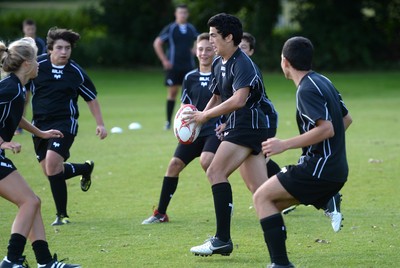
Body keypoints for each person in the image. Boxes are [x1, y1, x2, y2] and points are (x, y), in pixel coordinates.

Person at [253, 36, 352, 268]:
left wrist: (284, 144)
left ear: (284, 62)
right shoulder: (323, 81)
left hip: (320, 168)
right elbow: (345, 119)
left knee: (261, 197)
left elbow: (326, 129)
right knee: (271, 206)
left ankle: (280, 264)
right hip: (334, 168)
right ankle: (326, 199)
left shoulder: (306, 89)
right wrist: (328, 150)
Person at [184, 13, 277, 257]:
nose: (210, 40)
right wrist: (199, 119)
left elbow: (239, 99)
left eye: (214, 36)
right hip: (241, 125)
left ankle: (222, 239)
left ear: (229, 37)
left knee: (215, 171)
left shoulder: (242, 62)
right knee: (262, 192)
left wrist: (206, 117)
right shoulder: (218, 62)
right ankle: (322, 197)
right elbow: (216, 95)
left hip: (250, 126)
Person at [0, 37, 80, 268]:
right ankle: (11, 260)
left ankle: (45, 262)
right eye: (36, 60)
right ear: (26, 63)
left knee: (32, 202)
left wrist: (41, 133)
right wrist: (3, 143)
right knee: (29, 202)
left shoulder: (16, 87)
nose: (40, 64)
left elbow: (17, 116)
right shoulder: (10, 88)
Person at [29, 27, 108, 226]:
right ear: (49, 49)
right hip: (39, 126)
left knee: (52, 164)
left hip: (65, 124)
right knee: (51, 171)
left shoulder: (76, 72)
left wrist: (100, 124)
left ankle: (61, 215)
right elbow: (22, 92)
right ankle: (84, 168)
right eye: (59, 48)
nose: (64, 52)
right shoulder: (36, 66)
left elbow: (91, 99)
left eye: (68, 48)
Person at [142, 33, 222, 224]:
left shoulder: (221, 75)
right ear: (195, 51)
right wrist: (181, 124)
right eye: (200, 49)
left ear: (215, 50)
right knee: (174, 165)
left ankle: (223, 202)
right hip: (193, 131)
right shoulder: (189, 77)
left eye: (208, 49)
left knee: (207, 161)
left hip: (214, 129)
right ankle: (160, 213)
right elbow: (184, 106)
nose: (203, 53)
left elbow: (226, 102)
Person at [239, 32, 281, 178]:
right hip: (252, 120)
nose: (240, 49)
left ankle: (284, 186)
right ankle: (266, 195)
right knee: (253, 158)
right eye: (237, 46)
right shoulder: (238, 67)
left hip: (265, 118)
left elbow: (241, 100)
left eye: (243, 47)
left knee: (259, 156)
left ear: (251, 51)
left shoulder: (250, 69)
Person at [153, 4, 198, 130]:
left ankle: (190, 121)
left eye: (184, 13)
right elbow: (157, 43)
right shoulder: (171, 28)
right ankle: (168, 122)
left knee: (191, 94)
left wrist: (195, 49)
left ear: (187, 14)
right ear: (176, 14)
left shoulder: (190, 28)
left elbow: (199, 39)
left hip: (189, 66)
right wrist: (164, 60)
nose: (182, 15)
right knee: (173, 92)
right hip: (173, 66)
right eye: (180, 13)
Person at [14, 19, 46, 135]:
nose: (31, 31)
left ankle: (40, 124)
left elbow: (41, 59)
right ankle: (18, 127)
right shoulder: (20, 44)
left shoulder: (40, 43)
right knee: (23, 100)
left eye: (32, 29)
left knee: (40, 99)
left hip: (37, 75)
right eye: (28, 29)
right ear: (24, 29)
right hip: (26, 75)